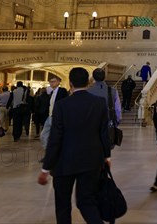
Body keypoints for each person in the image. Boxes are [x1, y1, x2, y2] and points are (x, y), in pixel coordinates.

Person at [38, 67, 111, 224]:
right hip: (91, 160)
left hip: (65, 162)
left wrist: (46, 167)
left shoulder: (62, 105)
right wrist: (107, 156)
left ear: (70, 83)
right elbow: (104, 133)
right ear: (88, 82)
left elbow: (55, 138)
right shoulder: (99, 103)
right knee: (87, 203)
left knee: (63, 205)